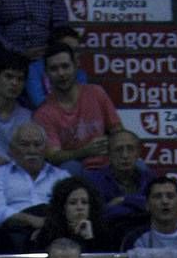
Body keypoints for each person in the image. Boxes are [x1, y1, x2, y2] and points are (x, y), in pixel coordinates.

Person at [32, 39, 120, 172]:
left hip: (108, 166)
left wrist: (111, 143)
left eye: (65, 66)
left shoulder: (96, 93)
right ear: (46, 74)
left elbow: (117, 130)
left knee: (139, 166)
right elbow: (54, 156)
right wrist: (84, 151)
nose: (61, 73)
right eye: (54, 69)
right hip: (76, 174)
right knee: (70, 167)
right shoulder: (43, 114)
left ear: (76, 65)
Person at [0, 121, 68, 238]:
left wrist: (48, 225)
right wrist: (31, 220)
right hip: (13, 233)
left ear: (46, 148)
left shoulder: (62, 177)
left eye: (37, 145)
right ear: (12, 149)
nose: (32, 150)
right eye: (24, 145)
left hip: (55, 232)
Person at [86, 127, 156, 240]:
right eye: (119, 149)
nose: (125, 155)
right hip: (108, 236)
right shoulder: (94, 180)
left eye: (130, 149)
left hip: (145, 236)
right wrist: (138, 204)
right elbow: (97, 215)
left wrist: (123, 200)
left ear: (138, 153)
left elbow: (155, 206)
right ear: (108, 154)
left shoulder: (150, 178)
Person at [0, 0, 69, 62]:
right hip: (7, 56)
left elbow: (60, 24)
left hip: (47, 56)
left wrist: (48, 49)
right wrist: (18, 51)